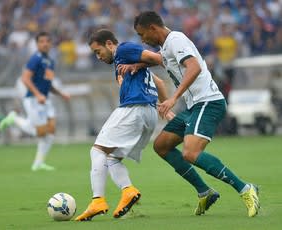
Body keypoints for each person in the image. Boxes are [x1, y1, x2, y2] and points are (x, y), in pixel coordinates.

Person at [129, 11, 260, 217]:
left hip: (208, 102)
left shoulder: (176, 40)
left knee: (190, 153)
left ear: (153, 28)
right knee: (161, 146)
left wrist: (173, 98)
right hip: (194, 106)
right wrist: (141, 64)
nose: (142, 40)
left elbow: (194, 67)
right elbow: (165, 61)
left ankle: (245, 189)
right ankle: (204, 191)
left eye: (142, 34)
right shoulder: (166, 46)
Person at [75, 29, 172, 221]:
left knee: (97, 151)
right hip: (149, 113)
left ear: (110, 44)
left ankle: (97, 201)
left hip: (134, 109)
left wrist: (139, 62)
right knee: (112, 159)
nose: (98, 57)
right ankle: (128, 191)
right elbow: (159, 82)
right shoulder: (122, 63)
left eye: (98, 51)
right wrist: (166, 109)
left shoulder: (124, 50)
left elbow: (160, 58)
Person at [0, 31, 70, 171]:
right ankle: (14, 119)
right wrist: (37, 94)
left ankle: (38, 163)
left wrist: (61, 94)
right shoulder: (35, 59)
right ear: (37, 44)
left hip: (45, 100)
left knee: (50, 132)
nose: (45, 44)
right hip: (33, 99)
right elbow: (25, 78)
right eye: (41, 41)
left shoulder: (50, 61)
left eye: (47, 41)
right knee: (41, 133)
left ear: (50, 43)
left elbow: (48, 84)